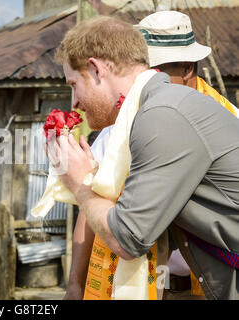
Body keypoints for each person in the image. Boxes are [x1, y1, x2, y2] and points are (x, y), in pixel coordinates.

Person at [53, 16, 239, 300]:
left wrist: (80, 184)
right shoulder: (159, 107)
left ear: (96, 70)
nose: (74, 102)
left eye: (73, 84)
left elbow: (127, 238)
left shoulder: (162, 114)